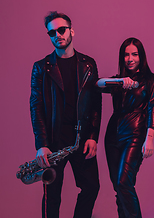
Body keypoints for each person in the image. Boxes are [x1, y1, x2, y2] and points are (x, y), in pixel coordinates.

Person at [30, 11, 102, 218]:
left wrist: (93, 137)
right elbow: (36, 107)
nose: (57, 35)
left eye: (61, 30)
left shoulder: (89, 64)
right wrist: (41, 144)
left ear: (72, 31)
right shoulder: (41, 68)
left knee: (91, 187)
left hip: (81, 137)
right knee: (51, 194)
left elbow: (96, 103)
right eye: (52, 32)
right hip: (53, 140)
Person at [97, 37, 154, 218]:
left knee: (124, 182)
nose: (130, 58)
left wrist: (150, 138)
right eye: (126, 55)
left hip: (135, 135)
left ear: (141, 56)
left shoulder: (151, 80)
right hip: (112, 137)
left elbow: (153, 109)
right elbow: (96, 85)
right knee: (118, 187)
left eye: (134, 54)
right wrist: (119, 82)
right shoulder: (118, 81)